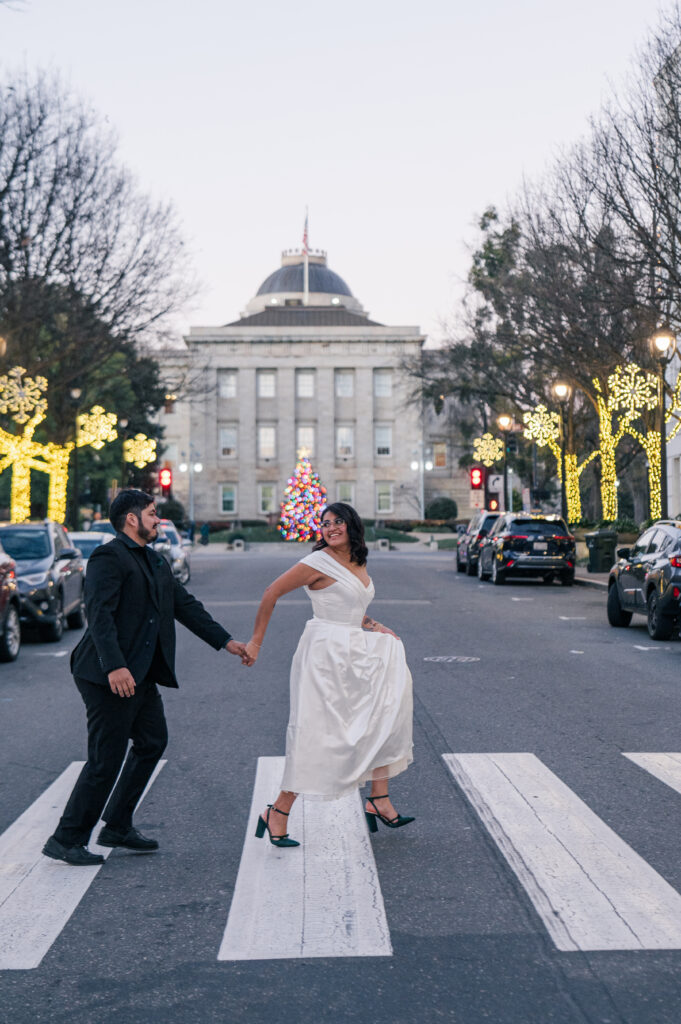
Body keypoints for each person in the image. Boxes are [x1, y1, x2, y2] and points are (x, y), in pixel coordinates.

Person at [43, 489, 250, 866]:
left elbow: (185, 605)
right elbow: (99, 614)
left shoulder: (154, 562)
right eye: (153, 514)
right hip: (107, 673)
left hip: (139, 672)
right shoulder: (109, 557)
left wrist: (226, 642)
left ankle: (117, 824)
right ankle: (66, 838)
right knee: (106, 759)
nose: (158, 520)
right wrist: (114, 665)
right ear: (132, 519)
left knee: (153, 741)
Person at [245, 502, 414, 848]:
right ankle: (278, 810)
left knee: (387, 709)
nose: (331, 527)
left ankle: (378, 797)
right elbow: (270, 593)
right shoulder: (316, 562)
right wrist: (256, 643)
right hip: (325, 655)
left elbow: (352, 607)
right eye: (325, 523)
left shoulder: (358, 560)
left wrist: (374, 625)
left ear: (352, 525)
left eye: (338, 521)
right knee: (318, 735)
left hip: (354, 646)